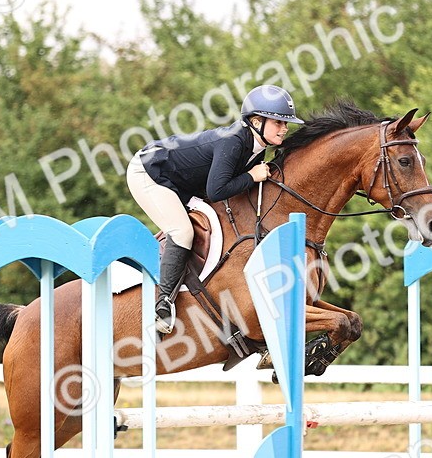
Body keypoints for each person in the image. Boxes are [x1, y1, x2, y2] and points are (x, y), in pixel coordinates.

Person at [126, 84, 304, 334]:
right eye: (278, 122)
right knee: (182, 231)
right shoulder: (233, 142)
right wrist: (252, 176)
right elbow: (216, 191)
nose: (284, 128)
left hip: (183, 182)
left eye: (285, 123)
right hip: (150, 172)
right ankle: (163, 304)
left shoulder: (258, 147)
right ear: (256, 121)